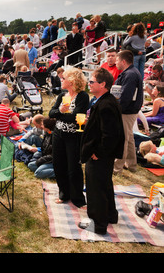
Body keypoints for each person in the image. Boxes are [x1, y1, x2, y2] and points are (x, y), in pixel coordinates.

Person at [80, 67, 124, 235]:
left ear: (103, 84)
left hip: (101, 155)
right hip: (104, 154)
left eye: (91, 81)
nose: (88, 84)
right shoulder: (106, 100)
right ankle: (111, 215)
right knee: (105, 184)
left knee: (95, 189)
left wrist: (97, 152)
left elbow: (111, 135)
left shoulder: (106, 104)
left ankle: (98, 225)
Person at [48, 67, 89, 208]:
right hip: (58, 134)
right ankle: (63, 194)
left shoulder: (83, 96)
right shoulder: (62, 95)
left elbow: (75, 117)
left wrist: (61, 114)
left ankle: (78, 198)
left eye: (64, 78)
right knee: (58, 165)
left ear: (71, 81)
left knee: (74, 168)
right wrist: (60, 111)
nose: (61, 79)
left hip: (73, 136)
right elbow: (51, 113)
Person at [112, 50, 143, 175]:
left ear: (123, 61)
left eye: (117, 60)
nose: (116, 62)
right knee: (129, 137)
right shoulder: (130, 72)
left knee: (122, 139)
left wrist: (116, 109)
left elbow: (125, 96)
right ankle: (131, 164)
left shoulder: (130, 74)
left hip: (126, 111)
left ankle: (117, 168)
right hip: (129, 110)